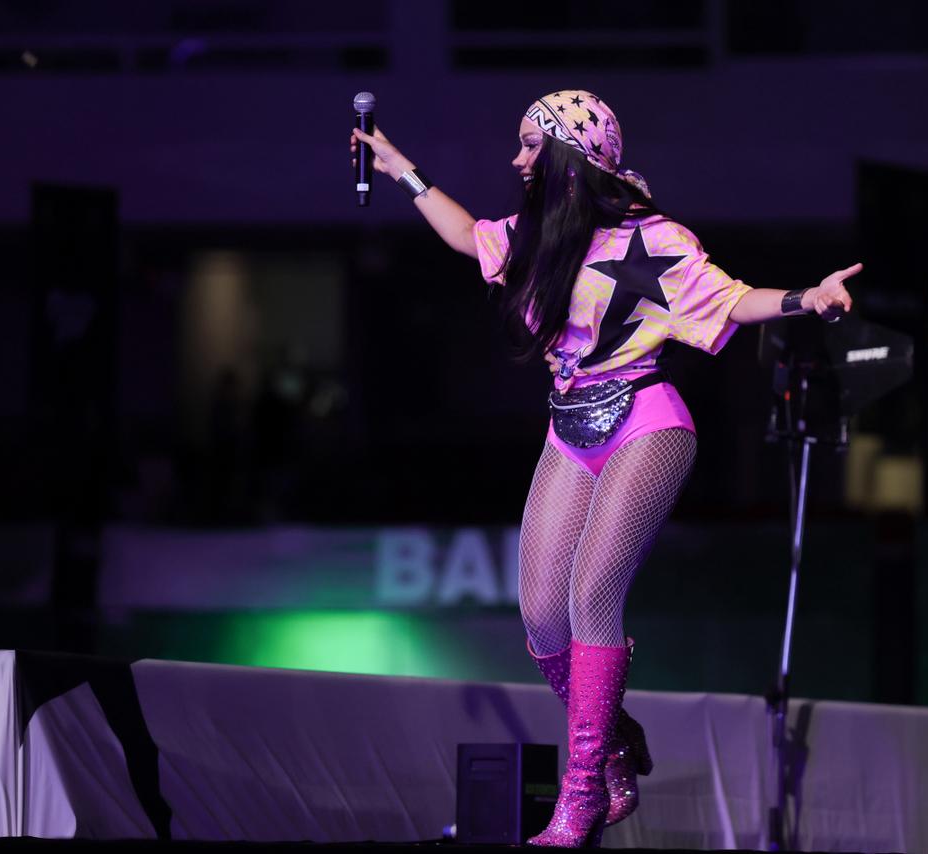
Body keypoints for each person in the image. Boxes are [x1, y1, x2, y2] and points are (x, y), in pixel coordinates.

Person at [352, 90, 856, 848]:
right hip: (569, 427)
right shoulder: (537, 237)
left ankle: (585, 785)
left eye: (532, 144)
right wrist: (398, 166)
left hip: (646, 420)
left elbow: (731, 299)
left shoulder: (655, 239)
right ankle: (614, 737)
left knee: (593, 596)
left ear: (572, 155)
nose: (517, 159)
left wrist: (806, 299)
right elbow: (464, 235)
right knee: (540, 613)